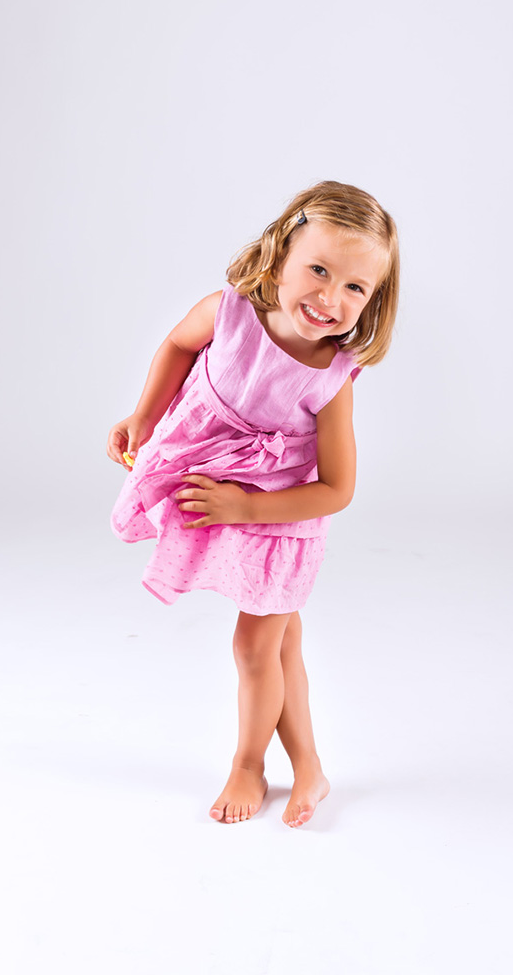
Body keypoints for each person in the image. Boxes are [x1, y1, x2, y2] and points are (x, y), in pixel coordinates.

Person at [106, 180, 399, 827]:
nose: (330, 298)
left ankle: (249, 764)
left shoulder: (330, 377)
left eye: (355, 287)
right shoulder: (229, 311)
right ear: (279, 257)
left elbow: (337, 488)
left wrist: (244, 510)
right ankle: (312, 769)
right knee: (281, 643)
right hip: (218, 477)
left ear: (373, 299)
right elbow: (179, 347)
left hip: (279, 518)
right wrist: (144, 416)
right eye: (318, 270)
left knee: (253, 648)